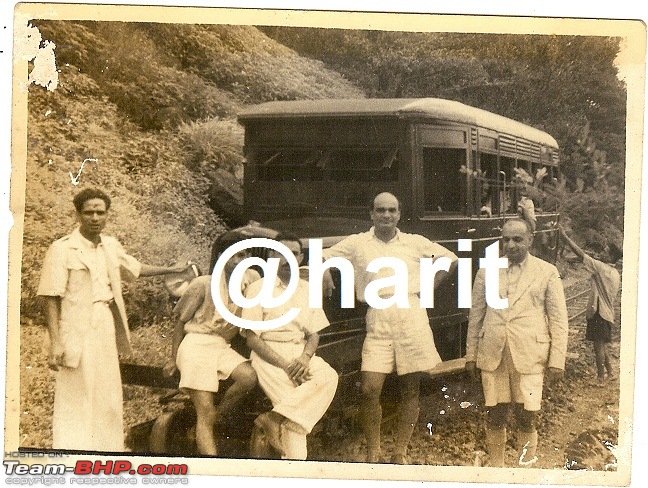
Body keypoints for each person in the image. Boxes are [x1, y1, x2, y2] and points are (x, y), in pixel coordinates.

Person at [37, 188, 192, 451]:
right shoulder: (62, 249)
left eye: (100, 212)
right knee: (77, 389)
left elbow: (135, 269)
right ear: (77, 214)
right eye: (89, 212)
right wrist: (55, 341)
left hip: (105, 321)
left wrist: (174, 269)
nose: (95, 217)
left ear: (107, 214)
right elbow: (50, 296)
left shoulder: (110, 246)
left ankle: (108, 448)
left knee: (107, 388)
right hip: (76, 325)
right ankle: (72, 449)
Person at [321, 192, 458, 464]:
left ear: (399, 214)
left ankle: (400, 451)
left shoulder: (414, 242)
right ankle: (374, 450)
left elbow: (450, 259)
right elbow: (321, 253)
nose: (386, 215)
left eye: (391, 210)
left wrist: (428, 286)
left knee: (411, 389)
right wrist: (324, 268)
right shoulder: (358, 243)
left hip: (411, 316)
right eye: (381, 210)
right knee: (370, 389)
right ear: (371, 214)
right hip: (378, 317)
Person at [466, 218, 569, 467]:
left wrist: (557, 360)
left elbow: (558, 320)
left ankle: (525, 471)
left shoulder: (547, 272)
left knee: (527, 416)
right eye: (506, 239)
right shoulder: (486, 271)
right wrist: (471, 356)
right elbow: (476, 317)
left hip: (530, 355)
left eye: (517, 239)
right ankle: (497, 470)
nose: (510, 245)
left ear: (530, 239)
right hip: (494, 353)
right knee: (496, 414)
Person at [242, 234, 338, 460]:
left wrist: (305, 358)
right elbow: (252, 339)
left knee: (328, 377)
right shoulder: (257, 289)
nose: (287, 258)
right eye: (280, 252)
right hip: (269, 354)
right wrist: (286, 366)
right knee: (293, 413)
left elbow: (314, 334)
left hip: (299, 351)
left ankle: (273, 419)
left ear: (300, 257)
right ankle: (294, 469)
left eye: (293, 253)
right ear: (272, 257)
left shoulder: (307, 289)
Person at [163, 234, 259, 456]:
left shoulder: (249, 283)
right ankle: (212, 463)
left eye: (244, 255)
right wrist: (172, 358)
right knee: (204, 410)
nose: (238, 260)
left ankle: (210, 422)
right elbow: (180, 323)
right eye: (233, 255)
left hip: (221, 346)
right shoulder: (203, 284)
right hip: (196, 345)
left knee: (248, 378)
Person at [559, 225, 621, 383]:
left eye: (605, 252)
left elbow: (581, 254)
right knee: (601, 345)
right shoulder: (614, 273)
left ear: (610, 256)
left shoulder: (602, 268)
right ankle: (610, 373)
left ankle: (600, 377)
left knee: (598, 347)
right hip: (606, 314)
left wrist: (565, 237)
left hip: (599, 313)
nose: (602, 253)